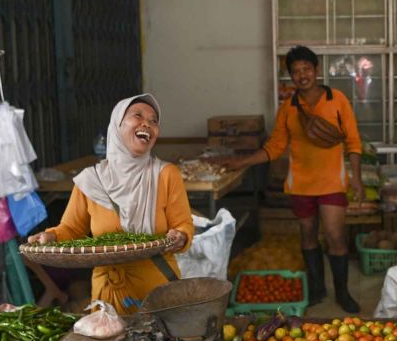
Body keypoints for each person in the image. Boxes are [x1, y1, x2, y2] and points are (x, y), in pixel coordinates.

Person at [227, 45, 364, 313]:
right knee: (308, 235)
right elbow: (275, 147)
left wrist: (356, 178)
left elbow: (353, 141)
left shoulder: (336, 100)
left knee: (336, 237)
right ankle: (317, 289)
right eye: (296, 71)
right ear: (291, 76)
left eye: (307, 69)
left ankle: (343, 293)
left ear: (316, 70)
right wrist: (241, 161)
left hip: (332, 183)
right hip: (300, 185)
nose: (302, 75)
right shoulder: (288, 109)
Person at [28, 94, 194, 315]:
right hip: (108, 294)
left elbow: (183, 223)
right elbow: (71, 229)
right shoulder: (91, 180)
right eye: (138, 116)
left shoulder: (165, 175)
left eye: (154, 121)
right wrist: (51, 236)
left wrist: (180, 236)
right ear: (117, 125)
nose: (147, 123)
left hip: (157, 290)